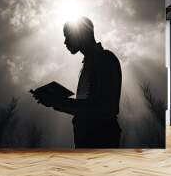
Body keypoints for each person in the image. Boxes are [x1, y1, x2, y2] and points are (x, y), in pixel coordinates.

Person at [33, 16, 122, 148]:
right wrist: (56, 102)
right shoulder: (90, 63)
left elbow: (103, 108)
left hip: (100, 140)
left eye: (67, 36)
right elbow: (90, 106)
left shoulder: (105, 59)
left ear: (81, 34)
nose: (65, 42)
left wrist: (58, 101)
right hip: (88, 140)